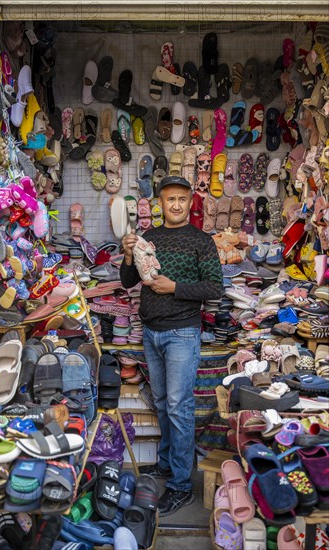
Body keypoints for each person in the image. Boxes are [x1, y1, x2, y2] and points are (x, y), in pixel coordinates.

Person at [120, 175, 223, 516]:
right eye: (169, 200)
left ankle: (180, 485)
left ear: (190, 202)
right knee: (163, 403)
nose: (176, 205)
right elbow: (129, 281)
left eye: (181, 199)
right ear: (160, 203)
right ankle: (166, 466)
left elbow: (214, 288)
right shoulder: (148, 238)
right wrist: (126, 255)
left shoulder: (201, 241)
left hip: (182, 333)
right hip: (152, 332)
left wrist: (175, 287)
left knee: (178, 407)